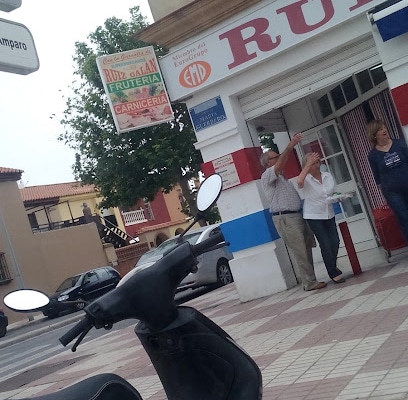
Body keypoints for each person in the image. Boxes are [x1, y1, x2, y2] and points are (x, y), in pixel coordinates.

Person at [260, 133, 327, 291]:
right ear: (267, 163)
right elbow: (280, 163)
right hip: (286, 218)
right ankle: (309, 282)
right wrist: (290, 146)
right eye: (275, 157)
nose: (279, 158)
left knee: (306, 247)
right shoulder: (267, 175)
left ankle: (311, 280)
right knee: (300, 250)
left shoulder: (282, 177)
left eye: (278, 156)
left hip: (296, 215)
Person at [297, 152, 345, 284]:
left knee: (335, 241)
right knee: (325, 244)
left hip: (328, 213)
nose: (316, 165)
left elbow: (334, 191)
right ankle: (332, 272)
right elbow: (299, 182)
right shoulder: (305, 178)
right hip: (313, 216)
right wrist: (307, 166)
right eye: (312, 163)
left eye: (317, 162)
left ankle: (332, 266)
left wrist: (338, 197)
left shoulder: (327, 176)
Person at [367, 120, 408, 242]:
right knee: (404, 218)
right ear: (374, 134)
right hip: (393, 192)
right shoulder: (373, 155)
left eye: (384, 128)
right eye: (380, 129)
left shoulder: (399, 144)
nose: (384, 130)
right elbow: (377, 177)